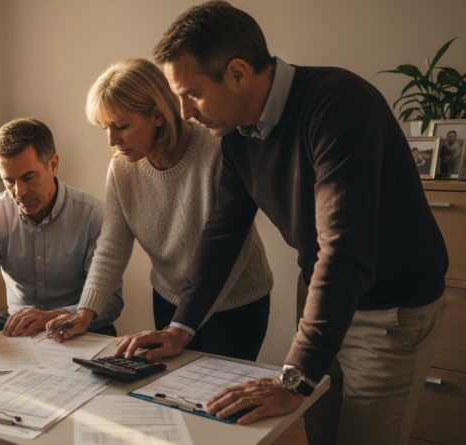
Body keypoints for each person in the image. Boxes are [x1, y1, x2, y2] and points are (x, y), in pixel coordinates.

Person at [98, 2, 447, 444]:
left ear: (238, 73)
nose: (183, 111)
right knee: (321, 431)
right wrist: (179, 328)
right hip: (321, 294)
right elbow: (222, 233)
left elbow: (344, 250)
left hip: (389, 309)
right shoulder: (238, 135)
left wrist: (294, 379)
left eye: (192, 94)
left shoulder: (338, 105)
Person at [47, 58, 273, 362]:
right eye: (105, 128)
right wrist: (86, 312)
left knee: (217, 401)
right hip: (169, 298)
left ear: (157, 114)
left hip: (234, 303)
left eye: (122, 126)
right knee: (173, 394)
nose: (113, 140)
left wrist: (186, 324)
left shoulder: (216, 149)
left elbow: (228, 248)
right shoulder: (122, 169)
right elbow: (111, 248)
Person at [0, 118, 123, 345]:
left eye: (28, 177)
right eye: (8, 181)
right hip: (18, 330)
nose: (19, 191)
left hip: (80, 329)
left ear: (53, 164)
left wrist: (53, 317)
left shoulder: (92, 216)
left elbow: (110, 301)